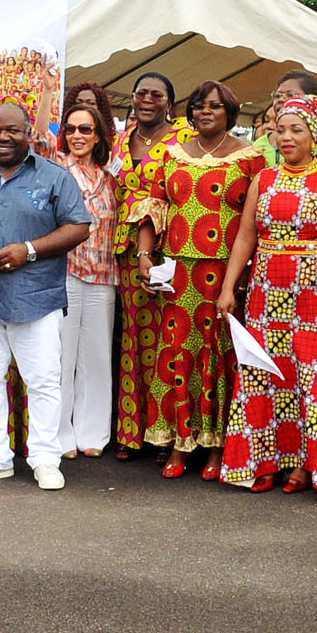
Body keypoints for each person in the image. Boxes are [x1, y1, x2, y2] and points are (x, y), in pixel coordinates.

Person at [0, 100, 92, 491]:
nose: (3, 138)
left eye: (12, 130)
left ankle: (44, 458)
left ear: (29, 133)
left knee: (42, 379)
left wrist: (30, 249)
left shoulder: (54, 178)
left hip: (35, 297)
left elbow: (78, 226)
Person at [215, 96, 317, 494]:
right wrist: (229, 288)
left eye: (297, 130)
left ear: (316, 135)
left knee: (314, 376)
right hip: (267, 292)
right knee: (265, 372)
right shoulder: (265, 178)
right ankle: (264, 461)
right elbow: (246, 235)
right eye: (281, 130)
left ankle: (312, 467)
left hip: (316, 292)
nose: (287, 137)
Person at [131, 80, 261, 479]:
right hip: (179, 272)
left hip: (227, 272)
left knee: (221, 355)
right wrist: (143, 256)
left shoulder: (251, 158)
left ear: (230, 114)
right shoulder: (170, 156)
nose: (206, 111)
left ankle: (217, 448)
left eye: (216, 106)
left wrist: (243, 277)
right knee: (179, 352)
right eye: (199, 105)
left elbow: (256, 221)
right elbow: (153, 208)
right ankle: (178, 443)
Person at [110, 72, 194, 460]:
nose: (147, 100)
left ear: (170, 103)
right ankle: (132, 432)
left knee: (170, 340)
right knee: (134, 340)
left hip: (171, 247)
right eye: (141, 93)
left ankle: (168, 433)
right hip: (127, 250)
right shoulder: (119, 140)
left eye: (156, 95)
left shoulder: (185, 139)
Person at [53, 101, 119, 458]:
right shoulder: (56, 168)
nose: (77, 135)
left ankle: (93, 433)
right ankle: (61, 436)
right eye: (71, 129)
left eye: (85, 129)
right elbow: (35, 136)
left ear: (98, 136)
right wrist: (48, 89)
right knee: (62, 356)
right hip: (64, 272)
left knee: (96, 357)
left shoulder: (111, 177)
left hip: (104, 274)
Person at [253, 71, 317, 171]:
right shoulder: (259, 145)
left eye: (290, 95)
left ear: (311, 100)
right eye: (277, 96)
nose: (280, 99)